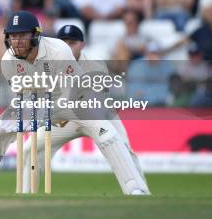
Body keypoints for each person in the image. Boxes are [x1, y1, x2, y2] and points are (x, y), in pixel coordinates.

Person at [0, 11, 149, 195]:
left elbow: (73, 93)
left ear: (35, 35)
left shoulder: (59, 50)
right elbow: (22, 96)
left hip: (80, 106)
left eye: (22, 35)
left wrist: (43, 113)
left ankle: (136, 190)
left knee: (108, 135)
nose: (17, 41)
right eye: (13, 36)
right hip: (44, 109)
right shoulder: (8, 61)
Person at [20, 24, 149, 195]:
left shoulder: (94, 65)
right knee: (32, 147)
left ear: (82, 44)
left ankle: (138, 191)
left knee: (122, 147)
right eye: (63, 42)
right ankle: (27, 194)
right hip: (65, 118)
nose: (67, 46)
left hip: (99, 114)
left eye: (72, 42)